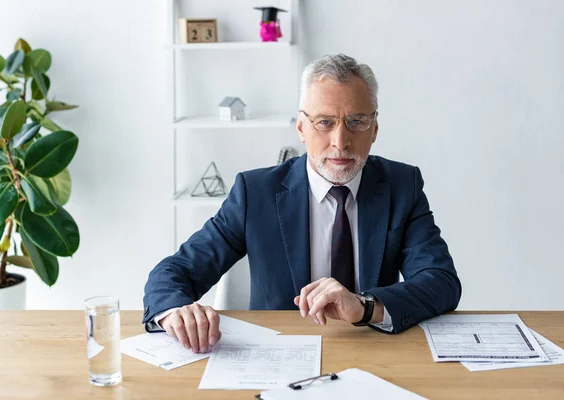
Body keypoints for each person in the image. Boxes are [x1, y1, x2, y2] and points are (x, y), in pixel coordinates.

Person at [143, 54, 461, 354]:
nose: (340, 141)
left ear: (374, 129)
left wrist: (365, 306)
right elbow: (175, 271)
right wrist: (174, 313)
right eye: (324, 122)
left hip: (373, 351)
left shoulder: (401, 186)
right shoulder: (255, 193)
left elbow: (441, 281)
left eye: (356, 122)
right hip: (277, 354)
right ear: (301, 128)